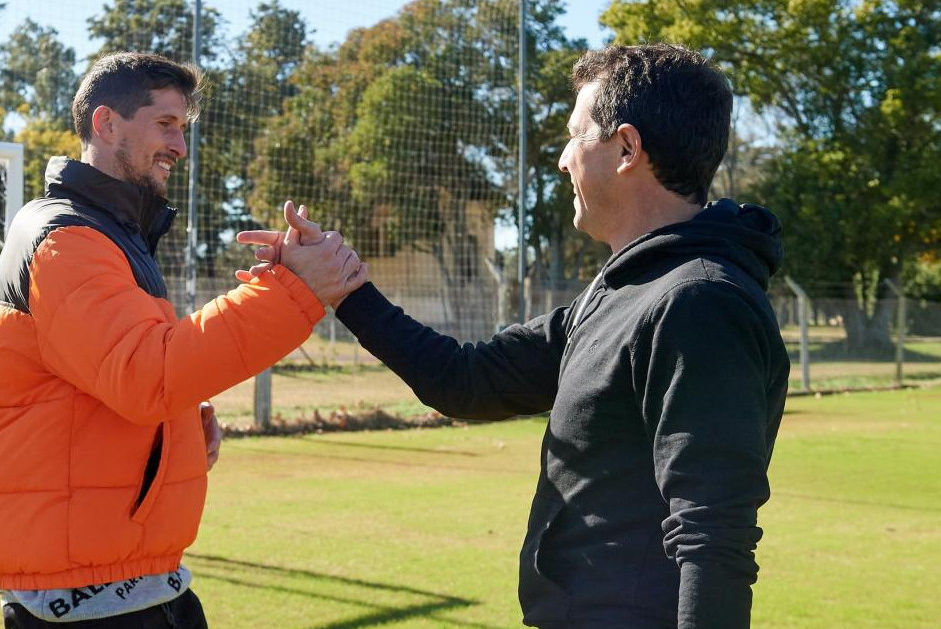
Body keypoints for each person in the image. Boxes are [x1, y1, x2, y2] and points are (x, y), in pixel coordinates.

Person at [239, 44, 789, 629]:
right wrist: (344, 287)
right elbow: (465, 382)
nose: (562, 160)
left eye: (577, 136)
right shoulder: (623, 290)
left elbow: (712, 532)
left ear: (627, 149)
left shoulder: (699, 302)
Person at [0, 52, 366, 628]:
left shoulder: (108, 233)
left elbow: (115, 382)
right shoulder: (67, 239)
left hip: (140, 587)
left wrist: (175, 430)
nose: (180, 145)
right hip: (86, 606)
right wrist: (292, 290)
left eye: (183, 128)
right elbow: (147, 376)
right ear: (106, 123)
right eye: (166, 124)